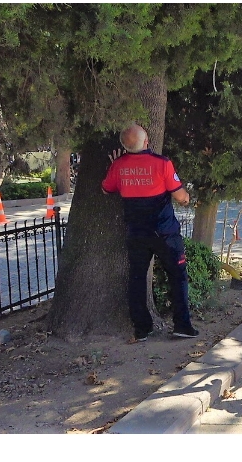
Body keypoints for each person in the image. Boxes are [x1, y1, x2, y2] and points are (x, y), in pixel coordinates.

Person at [101, 123, 198, 342]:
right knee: (178, 276)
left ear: (124, 146)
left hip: (137, 234)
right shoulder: (162, 164)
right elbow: (181, 197)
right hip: (165, 233)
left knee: (136, 279)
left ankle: (142, 329)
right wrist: (186, 197)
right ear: (146, 142)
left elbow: (106, 189)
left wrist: (116, 166)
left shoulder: (118, 165)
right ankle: (182, 325)